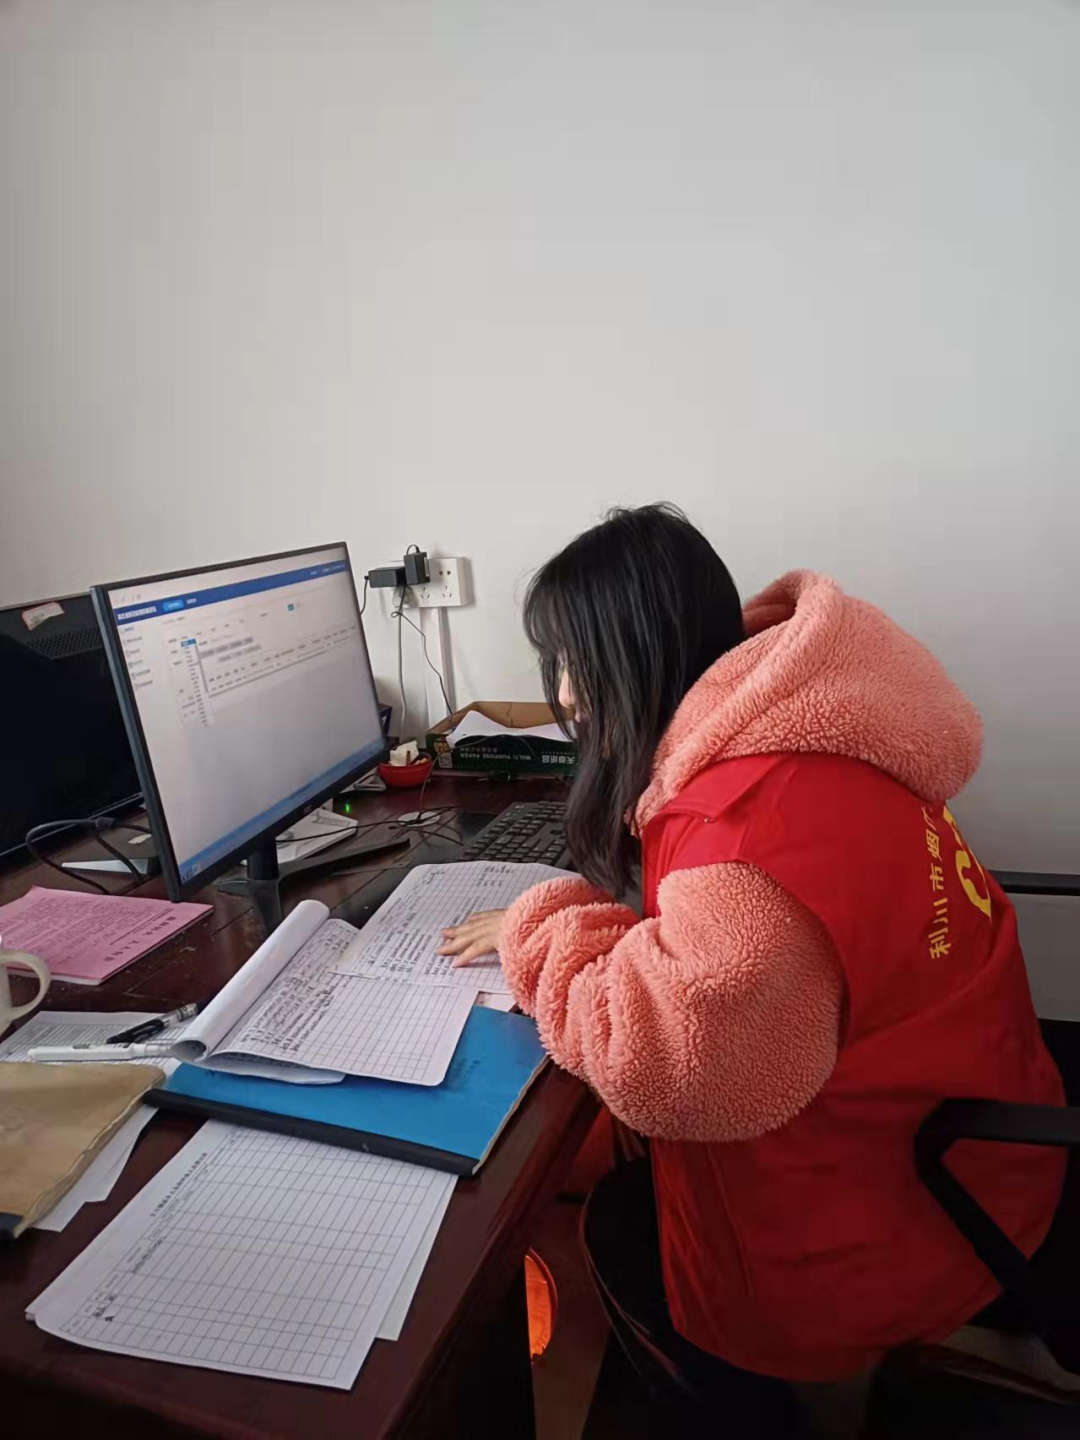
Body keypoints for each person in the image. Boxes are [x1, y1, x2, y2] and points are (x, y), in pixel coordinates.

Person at [438, 504, 1066, 1437]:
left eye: (574, 664)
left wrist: (541, 929)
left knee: (611, 1219)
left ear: (634, 660)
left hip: (901, 1213)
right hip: (980, 1131)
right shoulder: (808, 732)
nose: (566, 695)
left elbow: (668, 1064)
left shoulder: (748, 833)